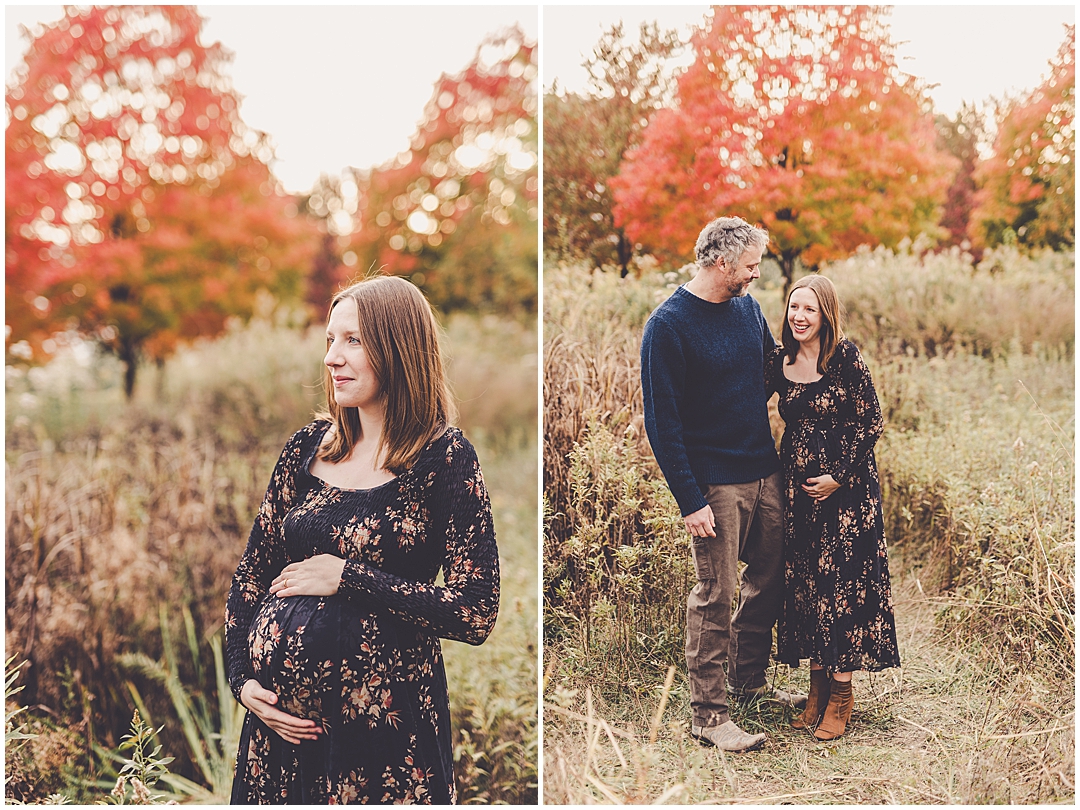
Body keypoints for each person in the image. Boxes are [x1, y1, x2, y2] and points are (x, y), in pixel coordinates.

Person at [224, 275, 500, 803]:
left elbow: (475, 611)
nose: (332, 357)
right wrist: (244, 682)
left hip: (382, 743)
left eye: (352, 340)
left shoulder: (444, 460)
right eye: (330, 340)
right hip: (278, 743)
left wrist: (347, 578)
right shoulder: (307, 449)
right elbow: (252, 575)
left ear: (398, 348)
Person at [640, 216, 804, 754]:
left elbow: (769, 372)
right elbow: (663, 426)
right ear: (721, 263)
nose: (758, 274)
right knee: (717, 593)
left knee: (771, 576)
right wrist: (690, 500)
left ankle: (749, 683)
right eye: (752, 265)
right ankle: (710, 716)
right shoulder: (667, 326)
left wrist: (825, 365)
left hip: (764, 469)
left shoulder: (747, 309)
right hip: (714, 485)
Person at [765, 274, 900, 741]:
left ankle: (842, 694)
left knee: (842, 585)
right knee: (809, 583)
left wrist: (838, 476)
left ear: (826, 314)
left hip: (847, 495)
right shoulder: (779, 361)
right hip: (800, 497)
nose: (799, 317)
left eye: (810, 309)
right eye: (793, 308)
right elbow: (740, 403)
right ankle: (817, 688)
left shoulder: (844, 358)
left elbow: (871, 420)